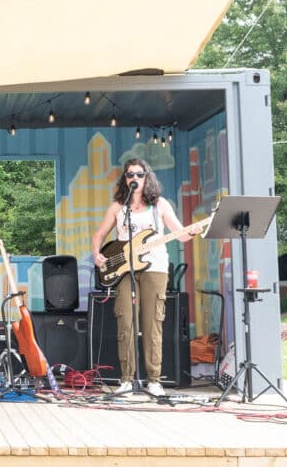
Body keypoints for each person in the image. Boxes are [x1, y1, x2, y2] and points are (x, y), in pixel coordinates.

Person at [91, 158, 199, 397]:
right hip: (125, 270)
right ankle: (127, 380)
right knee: (126, 323)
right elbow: (99, 234)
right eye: (130, 175)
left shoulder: (159, 205)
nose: (135, 178)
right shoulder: (118, 207)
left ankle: (154, 380)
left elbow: (180, 235)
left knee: (153, 325)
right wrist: (97, 254)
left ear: (147, 178)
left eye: (139, 174)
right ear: (125, 179)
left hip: (155, 268)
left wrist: (193, 231)